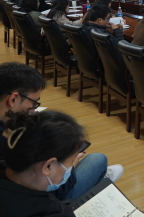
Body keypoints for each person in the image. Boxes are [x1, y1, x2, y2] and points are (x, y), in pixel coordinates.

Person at [0, 63, 123, 204]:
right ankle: (95, 182)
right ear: (13, 99)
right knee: (98, 160)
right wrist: (71, 164)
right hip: (50, 194)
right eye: (34, 104)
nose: (33, 111)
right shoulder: (49, 205)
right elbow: (52, 189)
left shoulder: (7, 137)